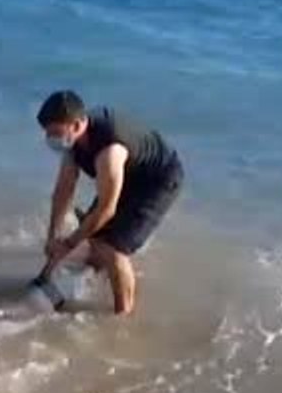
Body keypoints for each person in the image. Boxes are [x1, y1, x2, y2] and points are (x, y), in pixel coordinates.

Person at [37, 90, 184, 315]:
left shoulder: (109, 152)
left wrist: (68, 244)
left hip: (158, 178)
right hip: (127, 172)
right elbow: (63, 191)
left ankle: (121, 320)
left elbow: (106, 210)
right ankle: (88, 273)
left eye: (56, 133)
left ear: (76, 125)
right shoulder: (72, 141)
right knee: (95, 236)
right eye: (48, 134)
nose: (52, 140)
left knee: (112, 247)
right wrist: (53, 236)